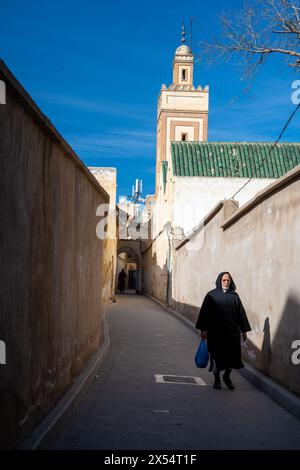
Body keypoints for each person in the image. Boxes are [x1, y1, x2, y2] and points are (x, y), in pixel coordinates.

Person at [195, 272, 251, 390]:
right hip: (216, 333)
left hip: (232, 334)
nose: (226, 282)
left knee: (232, 357)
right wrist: (204, 329)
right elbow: (204, 313)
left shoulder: (234, 296)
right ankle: (217, 379)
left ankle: (226, 376)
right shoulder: (211, 295)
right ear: (219, 281)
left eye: (228, 280)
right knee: (216, 356)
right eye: (224, 280)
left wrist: (244, 330)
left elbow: (241, 314)